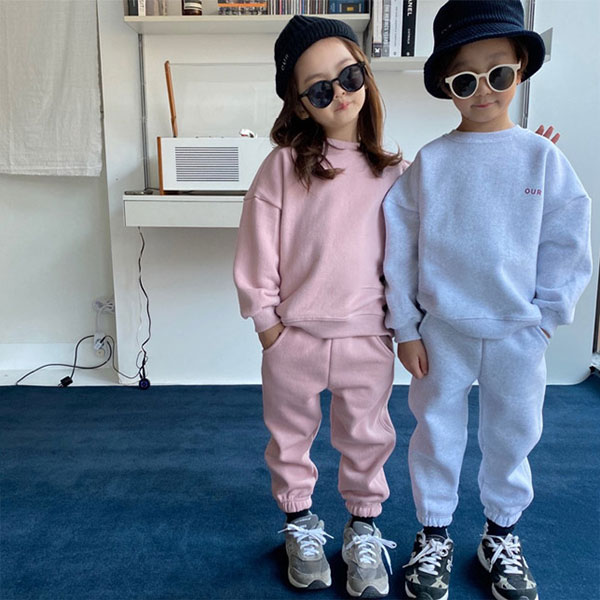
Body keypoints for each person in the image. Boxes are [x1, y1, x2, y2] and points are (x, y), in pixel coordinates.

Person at [382, 2, 593, 600]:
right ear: (446, 85)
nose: (483, 91)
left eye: (498, 74)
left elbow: (567, 239)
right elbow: (400, 247)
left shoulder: (541, 158)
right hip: (441, 330)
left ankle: (501, 533)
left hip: (518, 331)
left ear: (520, 68)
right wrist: (406, 327)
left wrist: (546, 316)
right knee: (435, 433)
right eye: (465, 80)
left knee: (514, 433)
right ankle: (434, 533)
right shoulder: (431, 162)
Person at [233, 15, 409, 598]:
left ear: (366, 75)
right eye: (319, 89)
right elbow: (257, 250)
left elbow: (423, 247)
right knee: (289, 437)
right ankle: (300, 523)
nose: (340, 94)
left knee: (368, 437)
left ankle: (363, 528)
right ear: (301, 105)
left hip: (367, 337)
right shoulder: (283, 167)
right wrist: (267, 325)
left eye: (349, 76)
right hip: (295, 338)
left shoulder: (397, 173)